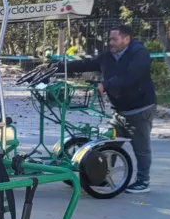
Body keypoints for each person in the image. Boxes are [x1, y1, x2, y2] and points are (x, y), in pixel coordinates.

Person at [62, 25, 156, 193]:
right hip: (119, 110)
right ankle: (103, 175)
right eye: (110, 39)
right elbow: (87, 64)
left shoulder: (139, 55)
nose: (111, 43)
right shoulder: (108, 57)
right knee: (109, 144)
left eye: (115, 39)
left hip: (139, 108)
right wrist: (60, 66)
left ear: (126, 39)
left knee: (140, 147)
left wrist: (106, 85)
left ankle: (143, 181)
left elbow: (131, 77)